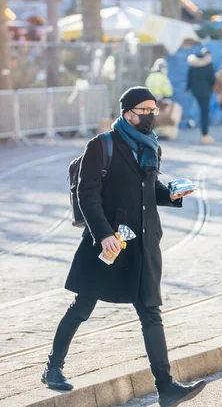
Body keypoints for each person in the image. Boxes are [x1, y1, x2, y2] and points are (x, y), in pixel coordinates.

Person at [42, 86, 207, 407]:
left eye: (153, 110)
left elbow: (150, 190)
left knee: (150, 311)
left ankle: (166, 387)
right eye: (144, 110)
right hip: (108, 242)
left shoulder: (151, 147)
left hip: (142, 242)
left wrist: (170, 194)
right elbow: (86, 196)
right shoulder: (101, 145)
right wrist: (102, 233)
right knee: (83, 306)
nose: (150, 116)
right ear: (128, 112)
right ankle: (52, 368)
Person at [145, 59, 182, 140]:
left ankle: (154, 132)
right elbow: (167, 91)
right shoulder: (162, 77)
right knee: (165, 116)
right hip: (162, 100)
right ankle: (163, 133)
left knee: (154, 116)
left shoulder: (150, 77)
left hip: (151, 100)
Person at [186, 47, 216, 144]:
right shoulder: (208, 65)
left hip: (196, 91)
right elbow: (212, 79)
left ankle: (202, 131)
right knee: (205, 112)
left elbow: (189, 77)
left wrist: (187, 89)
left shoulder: (193, 65)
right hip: (206, 92)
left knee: (202, 110)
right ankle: (205, 134)